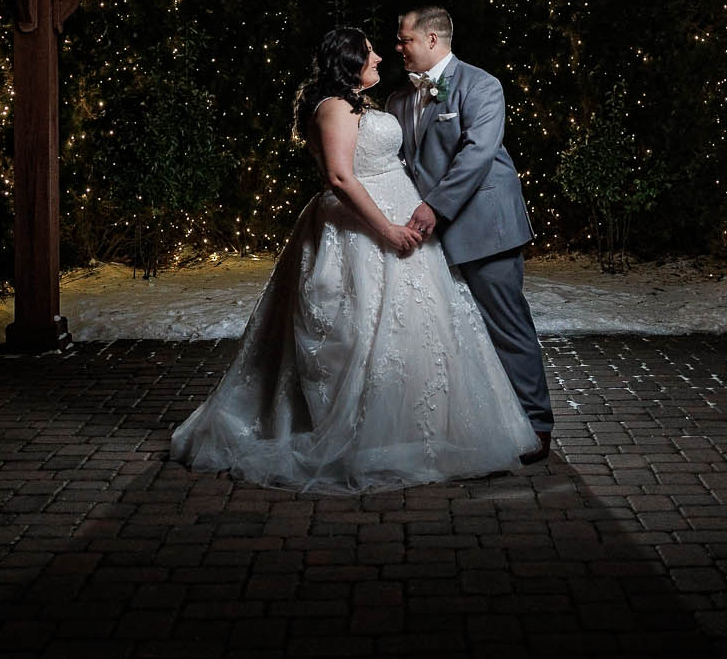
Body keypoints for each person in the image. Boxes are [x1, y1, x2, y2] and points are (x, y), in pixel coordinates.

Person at [169, 26, 541, 492]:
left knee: (419, 327)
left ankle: (421, 424)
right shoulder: (335, 109)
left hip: (403, 219)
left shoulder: (365, 104)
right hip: (365, 230)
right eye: (370, 53)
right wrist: (386, 229)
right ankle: (369, 433)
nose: (382, 58)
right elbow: (341, 178)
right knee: (359, 324)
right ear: (348, 62)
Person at [386, 6, 552, 464]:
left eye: (405, 40)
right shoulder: (398, 99)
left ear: (434, 40)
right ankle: (490, 424)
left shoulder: (482, 86)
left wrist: (434, 207)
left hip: (484, 227)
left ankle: (537, 425)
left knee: (506, 324)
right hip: (427, 235)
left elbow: (478, 154)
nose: (398, 48)